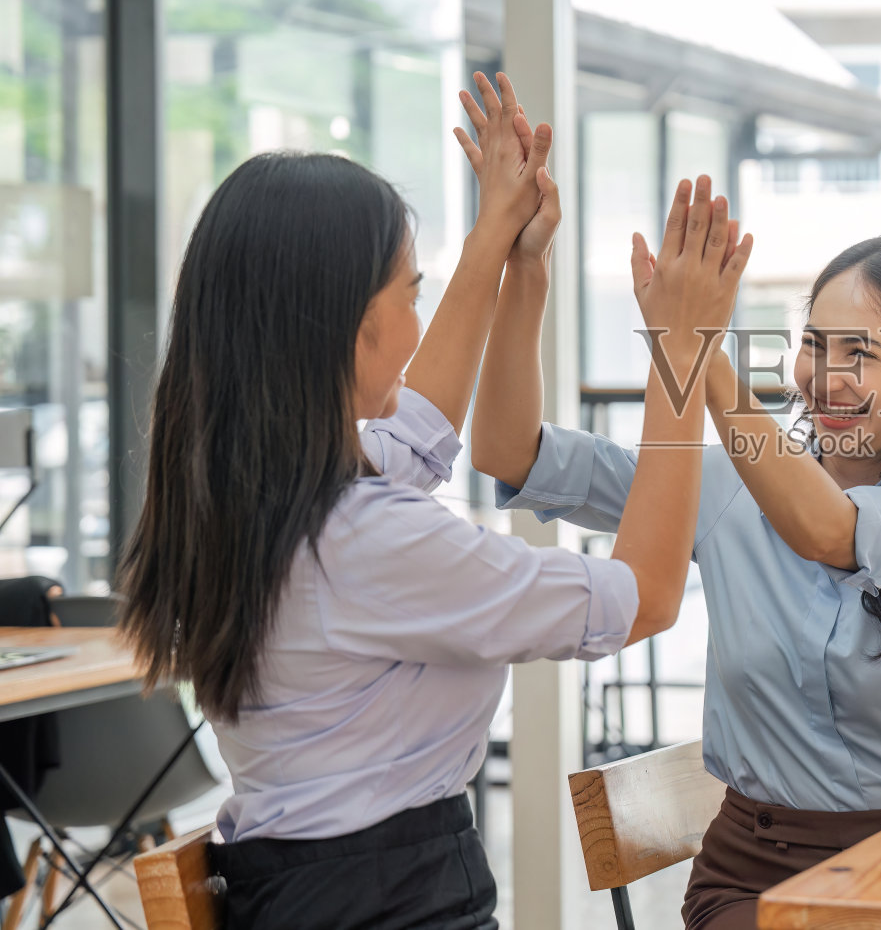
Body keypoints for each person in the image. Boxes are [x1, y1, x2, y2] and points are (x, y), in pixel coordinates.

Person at [116, 71, 752, 930]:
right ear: (341, 325)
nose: (419, 324)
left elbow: (421, 429)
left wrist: (509, 247)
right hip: (390, 906)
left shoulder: (253, 496)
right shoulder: (364, 538)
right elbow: (643, 597)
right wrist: (682, 348)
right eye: (411, 294)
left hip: (302, 895)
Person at [461, 103, 881, 929]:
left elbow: (830, 531)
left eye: (861, 355)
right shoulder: (723, 486)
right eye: (815, 344)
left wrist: (694, 350)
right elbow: (509, 451)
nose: (823, 376)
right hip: (746, 882)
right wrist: (528, 269)